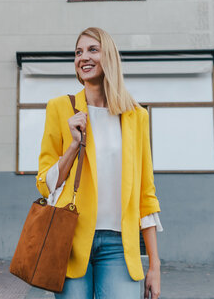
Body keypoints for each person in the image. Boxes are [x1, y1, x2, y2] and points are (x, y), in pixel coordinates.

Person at [36, 27, 162, 299]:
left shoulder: (136, 116)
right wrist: (73, 145)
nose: (84, 57)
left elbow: (146, 194)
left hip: (120, 244)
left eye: (93, 49)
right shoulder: (60, 108)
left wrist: (154, 264)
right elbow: (45, 185)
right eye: (78, 52)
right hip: (70, 240)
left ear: (110, 57)